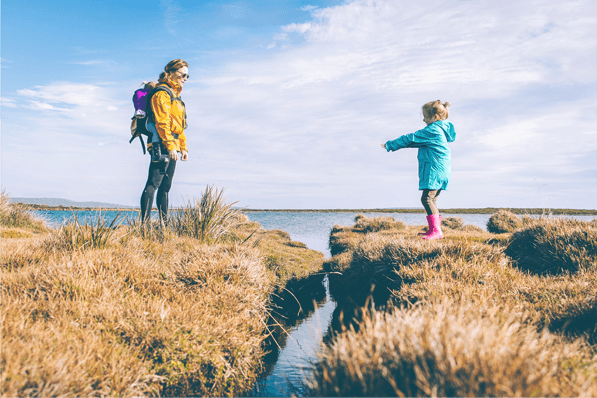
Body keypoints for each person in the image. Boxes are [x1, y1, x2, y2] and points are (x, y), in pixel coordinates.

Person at [382, 100, 456, 240]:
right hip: (441, 170)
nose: (423, 119)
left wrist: (390, 145)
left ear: (434, 117)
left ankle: (436, 231)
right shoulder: (440, 130)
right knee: (432, 199)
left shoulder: (432, 130)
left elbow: (411, 139)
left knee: (427, 198)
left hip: (434, 170)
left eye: (426, 117)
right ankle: (434, 230)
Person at [140, 59, 189, 225]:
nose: (185, 78)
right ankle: (144, 226)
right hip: (160, 143)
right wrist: (170, 146)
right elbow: (162, 123)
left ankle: (164, 224)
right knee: (153, 184)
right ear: (171, 72)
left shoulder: (176, 96)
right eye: (183, 74)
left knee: (166, 186)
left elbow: (180, 126)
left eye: (188, 76)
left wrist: (183, 147)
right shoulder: (162, 93)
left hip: (173, 145)